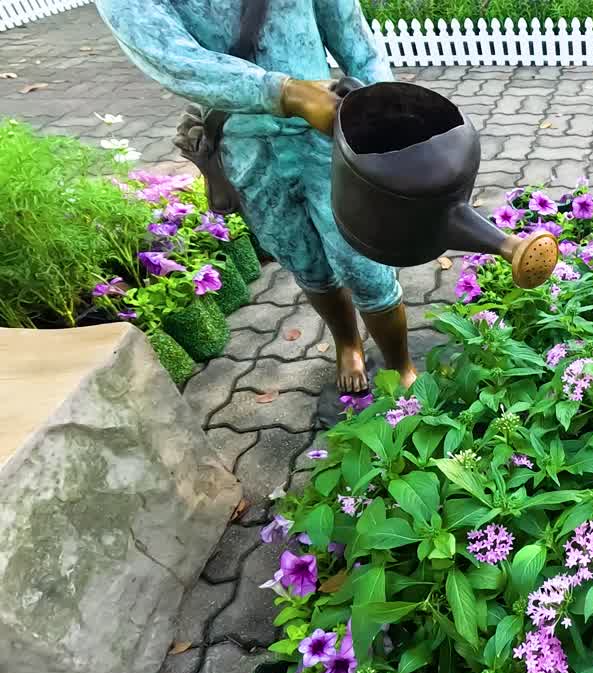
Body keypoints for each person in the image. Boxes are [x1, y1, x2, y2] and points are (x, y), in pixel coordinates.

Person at [95, 0, 417, 391]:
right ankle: (347, 342)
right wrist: (284, 92)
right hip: (244, 146)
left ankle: (400, 365)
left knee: (365, 264)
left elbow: (355, 42)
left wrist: (384, 113)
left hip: (328, 135)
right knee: (304, 260)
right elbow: (168, 53)